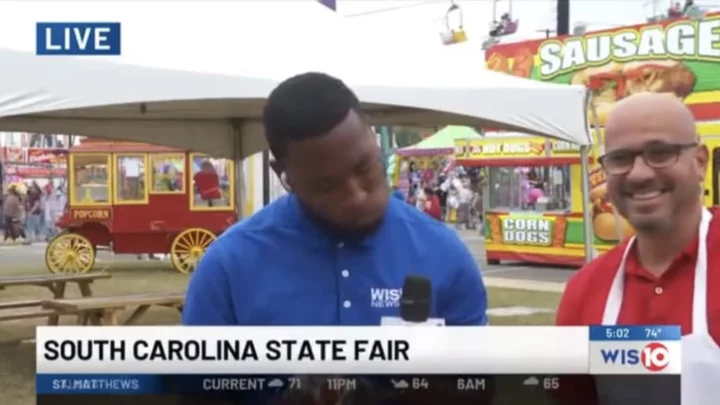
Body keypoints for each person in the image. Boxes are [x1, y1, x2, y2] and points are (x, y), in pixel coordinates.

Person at [184, 72, 488, 328]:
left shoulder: (445, 255)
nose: (356, 196)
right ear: (284, 175)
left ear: (373, 139)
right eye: (327, 184)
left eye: (364, 167)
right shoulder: (228, 268)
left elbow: (482, 384)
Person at [555, 93, 719, 405]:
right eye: (621, 159)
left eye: (660, 153)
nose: (640, 174)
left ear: (700, 162)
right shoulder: (585, 291)